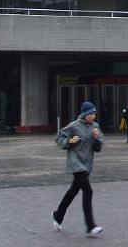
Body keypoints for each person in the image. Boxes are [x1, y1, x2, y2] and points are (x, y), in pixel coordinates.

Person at [52, 101, 104, 237]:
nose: (93, 116)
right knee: (88, 190)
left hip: (87, 164)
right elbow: (59, 138)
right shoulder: (73, 126)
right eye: (90, 114)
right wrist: (69, 141)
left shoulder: (95, 127)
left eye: (94, 114)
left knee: (73, 191)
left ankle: (58, 215)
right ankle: (90, 226)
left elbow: (98, 148)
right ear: (84, 114)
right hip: (75, 162)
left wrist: (96, 139)